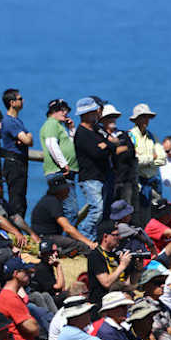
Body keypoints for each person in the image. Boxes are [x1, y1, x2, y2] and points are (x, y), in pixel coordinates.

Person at [73, 97, 112, 241]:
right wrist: (107, 145)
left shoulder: (96, 129)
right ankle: (83, 236)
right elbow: (97, 153)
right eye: (94, 111)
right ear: (87, 113)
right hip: (90, 177)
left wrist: (106, 145)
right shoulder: (82, 133)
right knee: (97, 210)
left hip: (100, 176)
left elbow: (109, 144)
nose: (97, 113)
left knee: (100, 210)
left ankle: (92, 239)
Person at [31, 174, 96, 255]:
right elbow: (67, 228)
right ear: (60, 190)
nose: (68, 190)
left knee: (74, 242)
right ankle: (60, 252)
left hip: (48, 236)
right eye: (66, 188)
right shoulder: (52, 202)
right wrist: (89, 242)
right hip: (46, 238)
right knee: (81, 245)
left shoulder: (51, 200)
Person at [39, 98, 79, 221]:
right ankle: (69, 239)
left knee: (65, 210)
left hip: (64, 172)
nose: (65, 113)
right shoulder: (51, 124)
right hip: (60, 172)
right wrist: (63, 164)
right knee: (70, 211)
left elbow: (72, 145)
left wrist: (71, 129)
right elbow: (51, 144)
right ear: (54, 111)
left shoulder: (59, 126)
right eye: (62, 110)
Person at [129, 103, 166, 225]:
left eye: (147, 117)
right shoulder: (130, 136)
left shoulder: (152, 136)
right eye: (143, 117)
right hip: (138, 184)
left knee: (156, 215)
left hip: (153, 183)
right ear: (136, 119)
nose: (146, 120)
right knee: (139, 216)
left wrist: (145, 160)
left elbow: (162, 159)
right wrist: (151, 158)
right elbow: (133, 160)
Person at [86, 220, 135, 307]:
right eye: (115, 235)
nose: (119, 238)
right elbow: (106, 283)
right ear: (105, 237)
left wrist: (137, 269)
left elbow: (128, 283)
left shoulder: (116, 255)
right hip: (103, 303)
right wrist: (122, 266)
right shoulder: (95, 255)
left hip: (121, 299)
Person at [0, 88, 32, 218]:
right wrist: (28, 136)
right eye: (20, 99)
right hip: (14, 164)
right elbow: (27, 140)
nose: (23, 101)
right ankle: (16, 233)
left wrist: (26, 138)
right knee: (16, 200)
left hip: (20, 163)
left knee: (21, 199)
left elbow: (26, 140)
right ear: (12, 103)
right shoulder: (10, 122)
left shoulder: (17, 121)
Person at [99, 105, 138, 210]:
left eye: (114, 116)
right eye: (109, 116)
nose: (112, 119)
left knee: (127, 209)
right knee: (107, 209)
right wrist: (118, 148)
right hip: (107, 181)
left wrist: (111, 148)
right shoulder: (99, 137)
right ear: (102, 120)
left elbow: (130, 151)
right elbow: (100, 154)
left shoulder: (124, 135)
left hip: (125, 179)